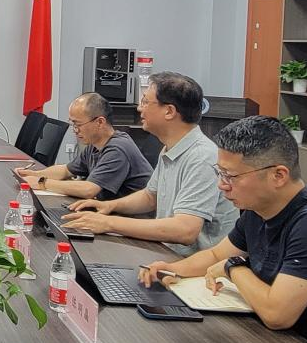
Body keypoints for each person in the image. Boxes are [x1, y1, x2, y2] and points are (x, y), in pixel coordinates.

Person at [140, 116, 307, 341]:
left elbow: (277, 315)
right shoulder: (257, 210)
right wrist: (173, 269)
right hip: (269, 337)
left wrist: (233, 267)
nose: (222, 185)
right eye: (220, 173)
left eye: (230, 176)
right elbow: (216, 255)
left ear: (278, 175)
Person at [62, 72, 238, 256]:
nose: (140, 108)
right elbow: (150, 196)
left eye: (145, 102)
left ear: (169, 111)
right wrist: (110, 206)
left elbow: (185, 230)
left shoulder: (201, 157)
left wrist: (109, 223)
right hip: (167, 252)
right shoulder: (171, 147)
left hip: (194, 265)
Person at [17, 92, 151, 200]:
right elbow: (66, 170)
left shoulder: (117, 149)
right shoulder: (95, 145)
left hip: (131, 219)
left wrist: (42, 182)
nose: (75, 130)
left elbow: (89, 189)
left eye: (78, 124)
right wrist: (34, 174)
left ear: (100, 122)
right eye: (73, 124)